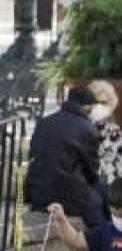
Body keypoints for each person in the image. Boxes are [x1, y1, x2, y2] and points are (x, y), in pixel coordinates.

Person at [25, 86, 102, 227]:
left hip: (38, 194)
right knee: (101, 201)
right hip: (67, 198)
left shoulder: (43, 123)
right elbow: (92, 172)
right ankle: (100, 242)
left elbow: (33, 155)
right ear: (87, 106)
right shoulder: (86, 128)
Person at [87, 80, 122, 186]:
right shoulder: (81, 127)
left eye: (103, 103)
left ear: (111, 104)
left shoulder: (114, 131)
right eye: (95, 102)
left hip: (110, 186)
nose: (98, 106)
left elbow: (121, 162)